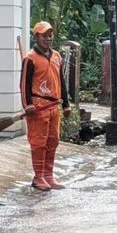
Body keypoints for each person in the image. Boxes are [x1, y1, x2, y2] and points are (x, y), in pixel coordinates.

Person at [20, 21, 71, 191]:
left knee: (53, 141)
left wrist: (66, 104)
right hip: (38, 105)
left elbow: (61, 81)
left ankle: (49, 175)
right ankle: (38, 177)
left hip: (54, 105)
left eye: (50, 35)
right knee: (38, 142)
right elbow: (24, 85)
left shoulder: (56, 56)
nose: (48, 38)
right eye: (44, 35)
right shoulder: (30, 58)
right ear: (37, 37)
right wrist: (27, 105)